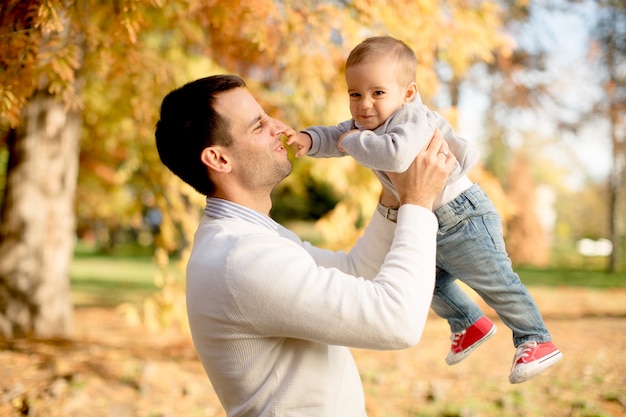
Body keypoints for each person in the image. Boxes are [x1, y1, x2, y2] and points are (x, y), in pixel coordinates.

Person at [154, 74, 456, 416]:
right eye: (258, 126)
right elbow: (397, 322)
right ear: (219, 160)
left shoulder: (255, 238)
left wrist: (394, 193)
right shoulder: (240, 257)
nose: (278, 127)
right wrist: (418, 201)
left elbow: (356, 272)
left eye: (267, 116)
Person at [287, 35, 562, 384]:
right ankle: (468, 323)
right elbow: (334, 135)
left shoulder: (413, 117)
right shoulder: (362, 127)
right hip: (434, 218)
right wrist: (309, 140)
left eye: (377, 93)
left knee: (495, 282)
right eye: (354, 94)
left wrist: (349, 140)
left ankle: (536, 339)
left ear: (407, 92)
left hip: (463, 216)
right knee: (426, 282)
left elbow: (396, 154)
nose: (364, 105)